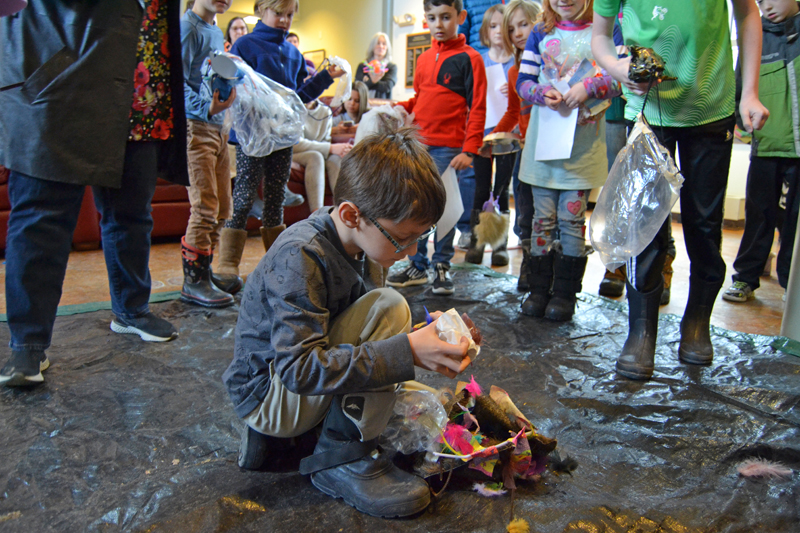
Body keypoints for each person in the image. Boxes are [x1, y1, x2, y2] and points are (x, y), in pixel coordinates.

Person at [222, 129, 472, 517]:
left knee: (397, 324)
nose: (409, 252)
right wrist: (407, 350)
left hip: (306, 380)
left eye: (419, 238)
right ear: (351, 214)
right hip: (271, 395)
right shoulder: (300, 255)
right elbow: (299, 370)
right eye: (403, 239)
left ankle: (326, 432)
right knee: (391, 307)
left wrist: (425, 339)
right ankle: (340, 460)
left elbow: (360, 335)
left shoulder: (365, 243)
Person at [0, 0, 187, 387]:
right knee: (42, 220)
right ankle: (28, 344)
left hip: (140, 97)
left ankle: (131, 310)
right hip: (61, 82)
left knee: (132, 217)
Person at [592, 0, 769, 380]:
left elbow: (748, 14)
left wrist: (749, 91)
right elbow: (600, 35)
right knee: (647, 228)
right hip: (648, 111)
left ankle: (697, 323)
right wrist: (618, 67)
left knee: (704, 222)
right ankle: (641, 333)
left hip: (711, 106)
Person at [214, 0, 345, 281]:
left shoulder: (293, 54)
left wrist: (324, 77)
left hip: (281, 139)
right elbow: (237, 88)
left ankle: (275, 264)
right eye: (278, 13)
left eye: (289, 15)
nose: (284, 20)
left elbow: (298, 98)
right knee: (245, 195)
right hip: (252, 138)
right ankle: (227, 263)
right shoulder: (245, 46)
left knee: (275, 199)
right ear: (262, 10)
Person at [516, 0, 623, 321]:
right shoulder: (539, 32)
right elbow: (524, 81)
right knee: (541, 220)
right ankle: (538, 289)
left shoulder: (606, 30)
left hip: (582, 149)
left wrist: (587, 87)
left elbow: (619, 79)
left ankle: (564, 295)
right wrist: (540, 94)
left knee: (571, 222)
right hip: (545, 144)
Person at [387, 0, 488, 296]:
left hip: (449, 150)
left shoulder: (470, 58)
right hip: (418, 145)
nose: (439, 24)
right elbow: (420, 100)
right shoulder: (424, 58)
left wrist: (469, 150)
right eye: (432, 18)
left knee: (444, 209)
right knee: (416, 206)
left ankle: (442, 264)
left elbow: (478, 107)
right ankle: (417, 263)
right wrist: (397, 108)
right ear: (425, 20)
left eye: (446, 17)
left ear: (461, 17)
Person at [722, 0, 799, 305]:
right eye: (760, 0)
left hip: (798, 150)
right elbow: (741, 87)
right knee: (759, 214)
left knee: (794, 220)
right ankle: (745, 277)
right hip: (766, 146)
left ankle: (790, 282)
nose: (766, 6)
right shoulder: (755, 38)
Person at [180, 0, 241, 308]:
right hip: (197, 128)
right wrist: (206, 107)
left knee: (222, 207)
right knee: (204, 205)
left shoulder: (215, 31)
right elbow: (176, 81)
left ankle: (205, 272)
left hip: (218, 127)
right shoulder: (188, 28)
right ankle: (193, 281)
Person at [491, 0, 540, 290]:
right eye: (511, 29)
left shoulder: (548, 67)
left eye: (524, 24)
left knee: (548, 213)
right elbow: (512, 112)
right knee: (525, 210)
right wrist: (494, 137)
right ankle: (529, 267)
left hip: (548, 151)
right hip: (524, 149)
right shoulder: (513, 72)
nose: (518, 33)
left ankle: (549, 271)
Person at [466, 3, 516, 267]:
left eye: (502, 26)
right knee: (480, 188)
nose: (498, 32)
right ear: (485, 30)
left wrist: (516, 90)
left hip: (509, 136)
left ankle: (499, 244)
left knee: (502, 189)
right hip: (483, 135)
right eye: (492, 26)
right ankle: (477, 240)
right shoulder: (479, 60)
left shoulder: (517, 61)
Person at [293, 99, 353, 212]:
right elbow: (295, 144)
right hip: (292, 153)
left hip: (319, 151)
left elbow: (326, 139)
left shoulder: (325, 111)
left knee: (336, 158)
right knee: (315, 157)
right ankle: (317, 214)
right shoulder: (292, 107)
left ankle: (344, 210)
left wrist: (339, 150)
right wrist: (330, 148)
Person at [355, 32, 398, 100]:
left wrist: (369, 82)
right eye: (378, 43)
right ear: (373, 46)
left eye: (384, 44)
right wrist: (373, 81)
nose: (381, 46)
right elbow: (358, 88)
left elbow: (387, 87)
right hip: (362, 105)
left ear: (387, 48)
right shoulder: (362, 66)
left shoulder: (391, 67)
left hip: (382, 106)